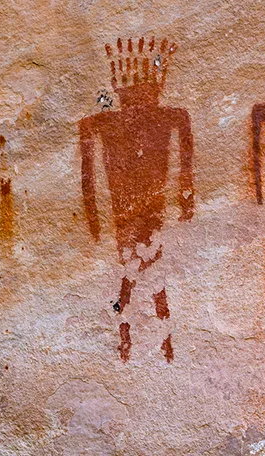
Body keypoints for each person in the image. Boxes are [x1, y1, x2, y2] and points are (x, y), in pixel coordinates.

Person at [79, 37, 194, 363]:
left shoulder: (105, 122)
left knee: (139, 275)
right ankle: (148, 341)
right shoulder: (163, 117)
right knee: (142, 276)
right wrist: (187, 201)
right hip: (133, 215)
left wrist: (93, 216)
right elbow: (88, 163)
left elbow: (87, 162)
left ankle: (136, 340)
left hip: (137, 215)